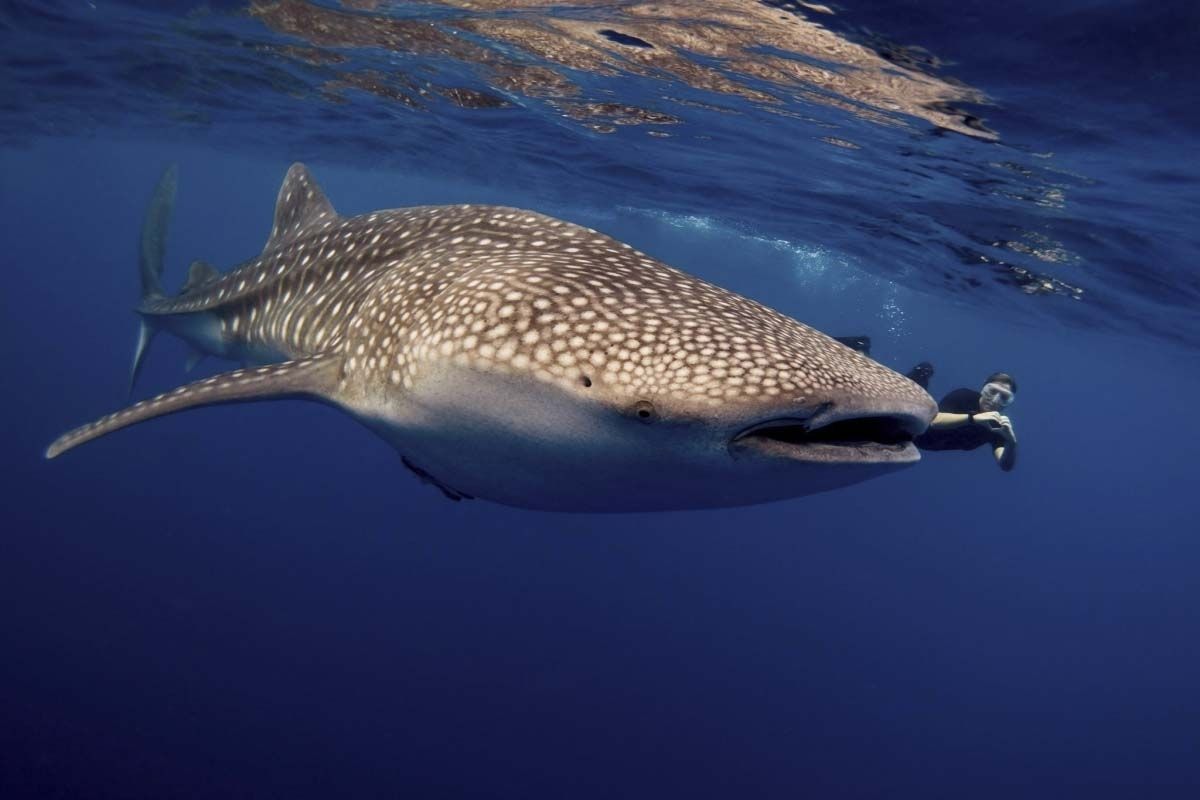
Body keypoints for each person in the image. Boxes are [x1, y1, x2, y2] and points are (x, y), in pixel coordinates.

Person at [909, 365, 1018, 472]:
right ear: (983, 387)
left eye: (1004, 397)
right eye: (992, 391)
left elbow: (1005, 465)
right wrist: (973, 418)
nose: (995, 400)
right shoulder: (964, 396)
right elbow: (933, 420)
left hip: (923, 444)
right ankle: (922, 372)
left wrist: (1011, 443)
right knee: (913, 398)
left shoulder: (998, 427)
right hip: (911, 428)